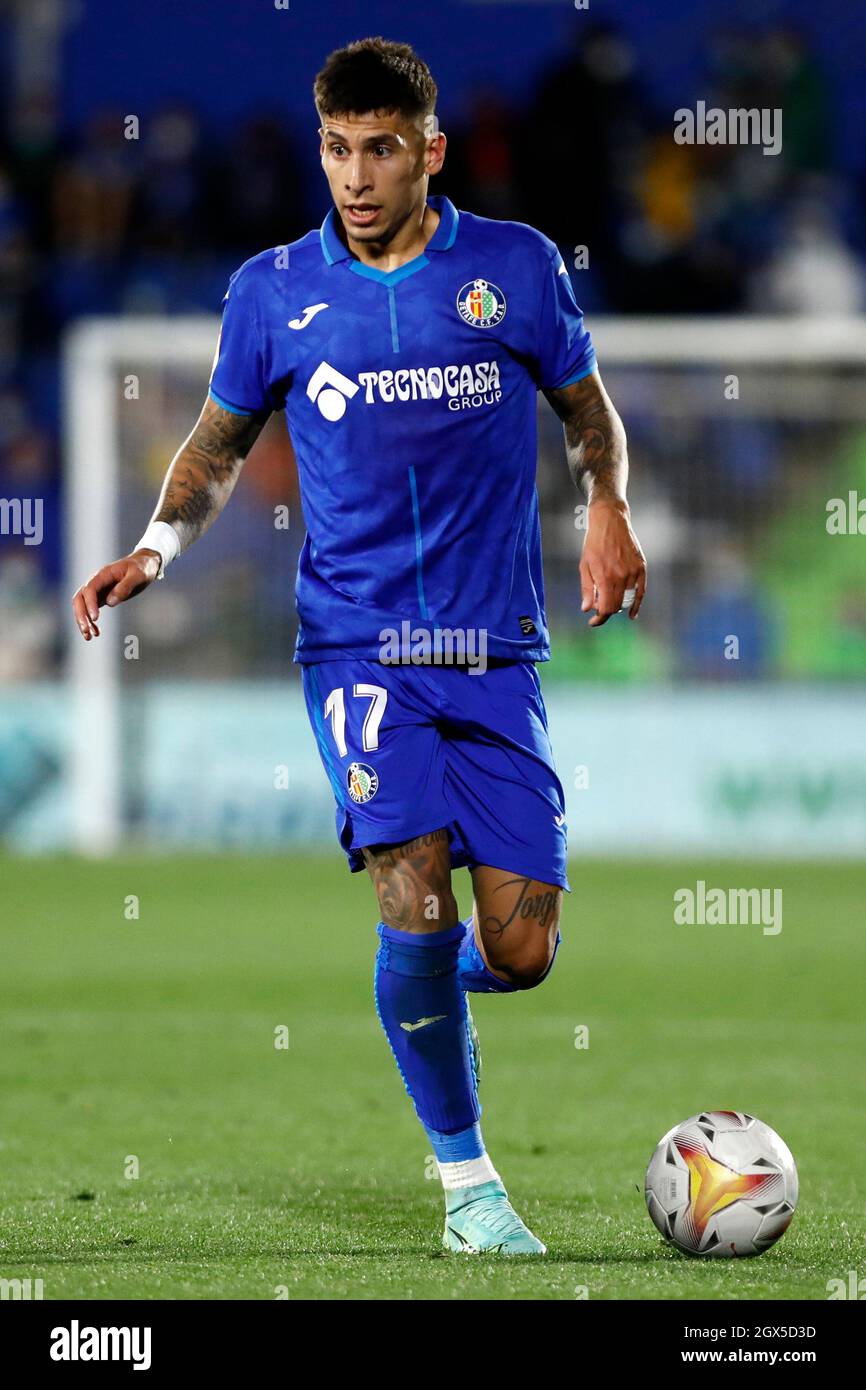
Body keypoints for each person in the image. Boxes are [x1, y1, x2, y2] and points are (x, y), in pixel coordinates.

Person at [72, 37, 647, 1256]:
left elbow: (587, 415)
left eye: (379, 148)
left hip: (494, 651)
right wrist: (156, 547)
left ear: (428, 152)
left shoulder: (516, 269)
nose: (354, 173)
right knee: (410, 889)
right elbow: (217, 447)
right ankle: (468, 1189)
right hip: (357, 649)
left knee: (525, 949)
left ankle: (426, 985)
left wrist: (607, 509)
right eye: (335, 148)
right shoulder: (273, 291)